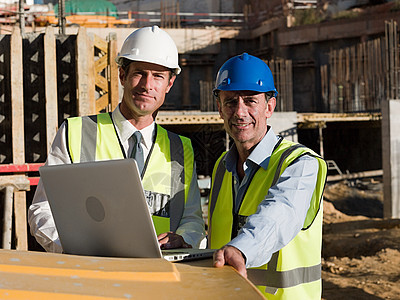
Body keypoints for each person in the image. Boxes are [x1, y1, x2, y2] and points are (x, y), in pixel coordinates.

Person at [28, 25, 205, 253]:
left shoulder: (181, 149)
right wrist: (74, 249)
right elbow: (43, 209)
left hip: (159, 279)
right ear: (122, 75)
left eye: (158, 76)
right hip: (91, 275)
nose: (147, 85)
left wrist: (184, 238)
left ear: (169, 84)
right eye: (139, 73)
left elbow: (192, 219)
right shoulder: (75, 133)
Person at [208, 53, 327, 299]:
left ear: (269, 106)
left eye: (250, 101)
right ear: (219, 107)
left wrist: (241, 250)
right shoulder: (222, 166)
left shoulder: (300, 164)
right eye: (230, 101)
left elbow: (280, 213)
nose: (239, 112)